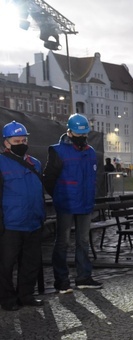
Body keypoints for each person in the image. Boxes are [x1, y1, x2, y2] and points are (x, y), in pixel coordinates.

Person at [43, 114, 102, 293]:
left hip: (84, 204)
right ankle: (62, 281)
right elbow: (49, 178)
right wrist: (59, 195)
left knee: (83, 241)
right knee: (62, 242)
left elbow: (94, 177)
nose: (82, 137)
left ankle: (84, 277)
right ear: (69, 132)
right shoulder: (58, 151)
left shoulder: (90, 152)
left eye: (84, 134)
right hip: (66, 204)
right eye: (78, 134)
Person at [0, 121, 45, 310]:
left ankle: (26, 295)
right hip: (11, 223)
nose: (21, 143)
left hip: (33, 221)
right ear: (6, 143)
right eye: (16, 140)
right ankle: (7, 299)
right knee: (5, 265)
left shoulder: (35, 163)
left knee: (31, 263)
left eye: (24, 139)